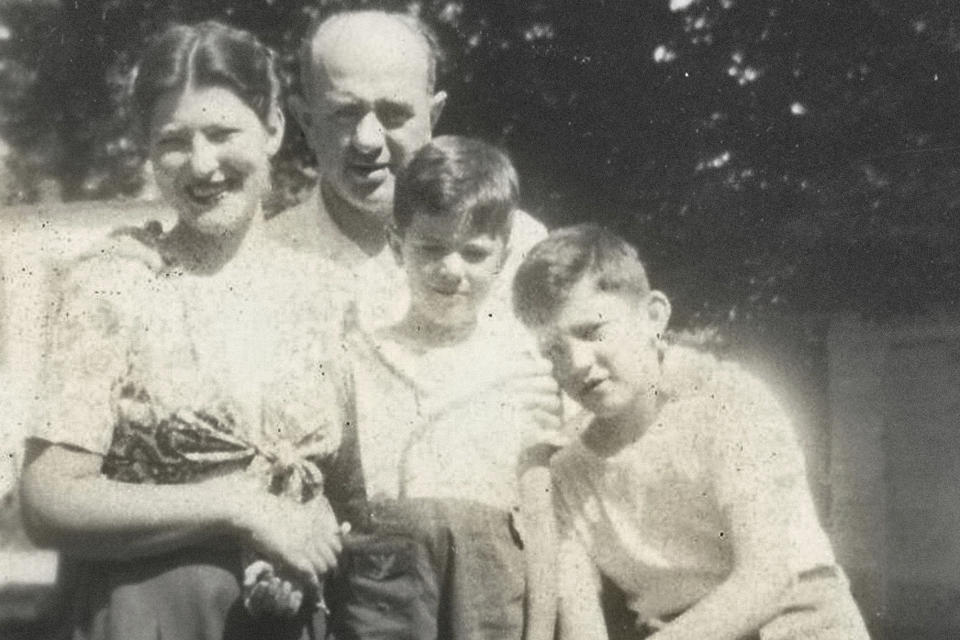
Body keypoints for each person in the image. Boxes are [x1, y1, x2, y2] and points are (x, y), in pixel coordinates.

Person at [19, 21, 348, 640]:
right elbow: (48, 501)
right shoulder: (114, 284)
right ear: (147, 149)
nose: (202, 164)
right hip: (147, 614)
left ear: (274, 128)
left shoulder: (324, 292)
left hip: (288, 616)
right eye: (174, 141)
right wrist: (238, 506)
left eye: (223, 133)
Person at [512, 224, 871, 640]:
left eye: (593, 332)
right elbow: (580, 620)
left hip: (795, 619)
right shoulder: (571, 469)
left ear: (653, 316)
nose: (576, 363)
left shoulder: (728, 403)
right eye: (553, 350)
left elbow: (767, 577)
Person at [327, 136, 562, 640]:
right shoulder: (360, 355)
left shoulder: (518, 369)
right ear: (396, 245)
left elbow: (540, 523)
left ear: (502, 259)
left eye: (475, 253)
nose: (452, 270)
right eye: (431, 248)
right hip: (383, 600)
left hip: (489, 601)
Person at [268, 7, 547, 328]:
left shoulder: (521, 250)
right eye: (344, 113)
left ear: (433, 116)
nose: (368, 140)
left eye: (393, 114)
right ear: (307, 122)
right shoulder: (268, 264)